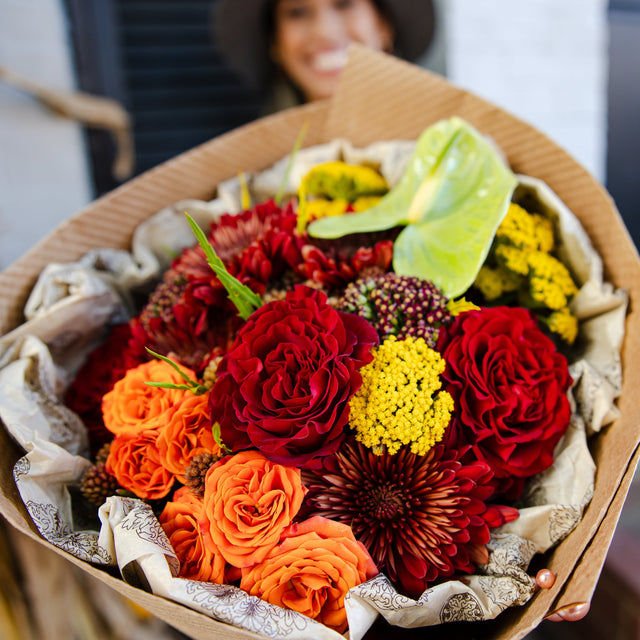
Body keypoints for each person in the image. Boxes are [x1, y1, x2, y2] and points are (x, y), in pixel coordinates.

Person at [214, 0, 435, 112]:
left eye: (344, 4)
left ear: (384, 26)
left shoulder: (448, 147)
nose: (324, 32)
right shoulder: (247, 173)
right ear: (276, 43)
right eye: (297, 12)